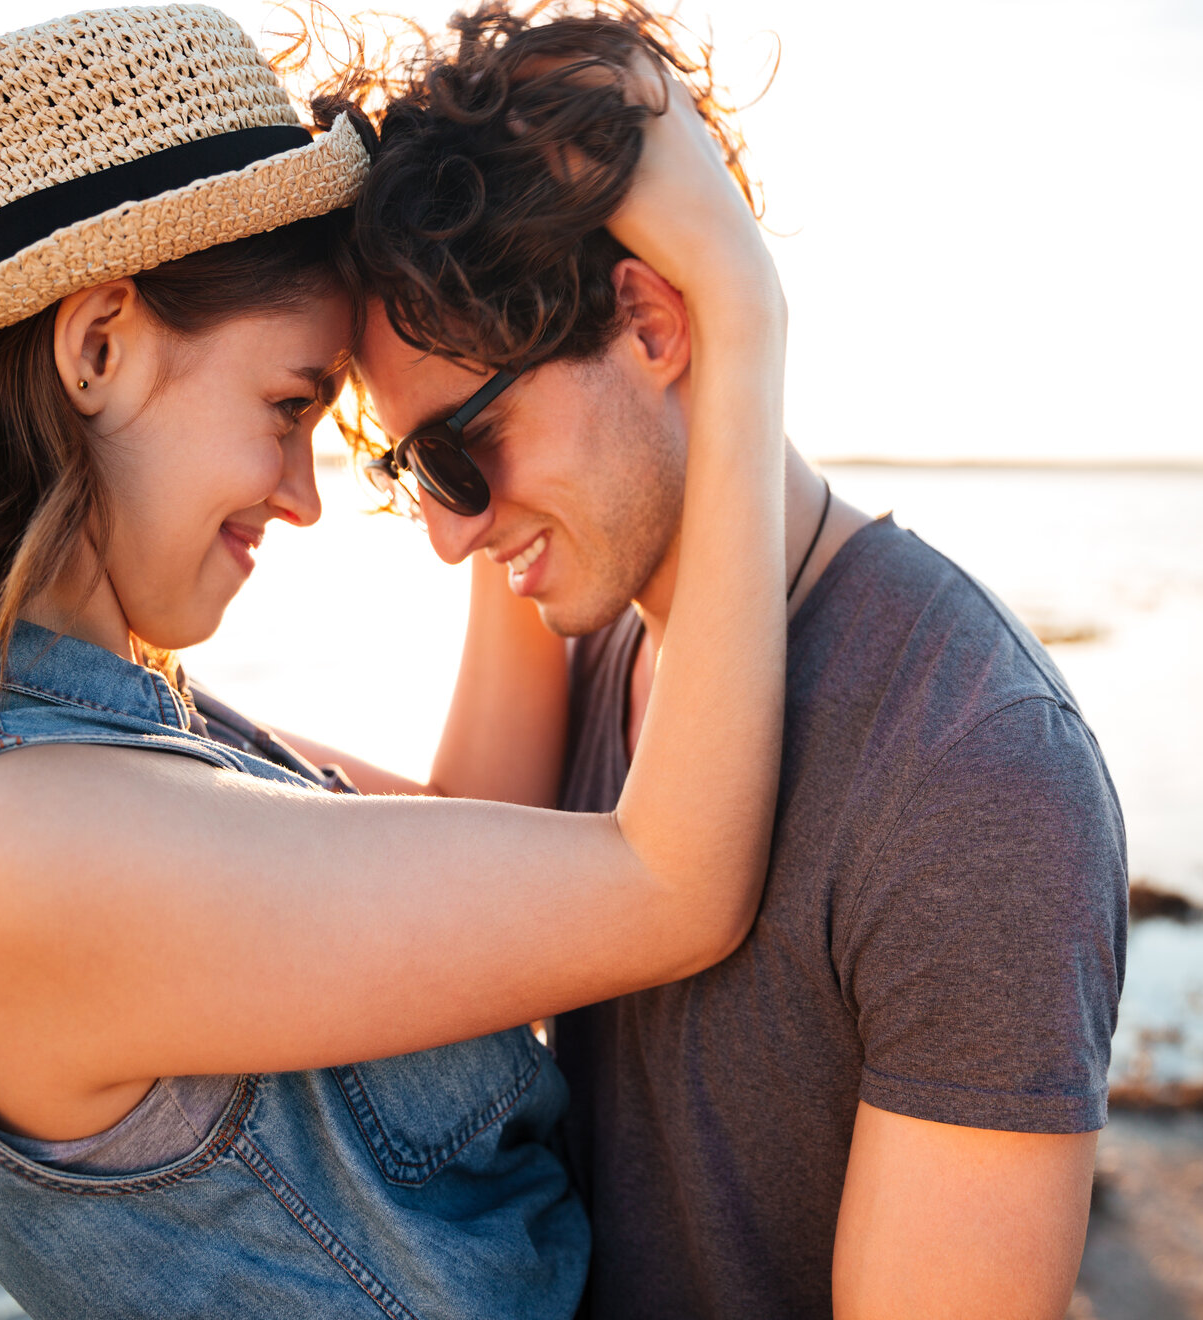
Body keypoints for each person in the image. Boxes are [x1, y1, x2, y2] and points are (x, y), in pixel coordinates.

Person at [0, 7, 789, 1318]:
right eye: (287, 408)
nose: (304, 494)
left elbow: (495, 842)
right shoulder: (19, 843)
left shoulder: (78, 742)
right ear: (98, 346)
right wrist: (740, 306)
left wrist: (480, 419)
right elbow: (668, 886)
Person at [337, 5, 1130, 1316]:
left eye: (455, 457)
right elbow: (460, 874)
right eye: (405, 469)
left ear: (653, 323)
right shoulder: (585, 638)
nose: (446, 533)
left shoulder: (976, 771)